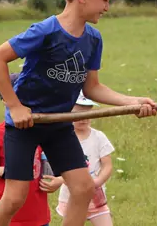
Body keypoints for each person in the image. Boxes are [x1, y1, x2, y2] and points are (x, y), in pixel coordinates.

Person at [0, 0, 157, 226]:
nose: (107, 7)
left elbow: (92, 87)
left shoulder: (93, 38)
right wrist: (15, 106)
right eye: (104, 0)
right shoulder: (46, 32)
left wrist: (132, 101)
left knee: (83, 187)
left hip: (59, 124)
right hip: (25, 124)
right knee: (15, 198)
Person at [0, 73, 61, 226]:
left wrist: (58, 181)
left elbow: (58, 165)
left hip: (39, 216)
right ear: (5, 100)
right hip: (10, 216)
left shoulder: (43, 131)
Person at [54, 92, 116, 225]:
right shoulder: (64, 139)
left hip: (96, 197)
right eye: (78, 115)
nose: (83, 119)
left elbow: (107, 165)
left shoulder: (99, 137)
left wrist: (98, 181)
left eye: (87, 114)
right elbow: (61, 169)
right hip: (71, 197)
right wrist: (59, 181)